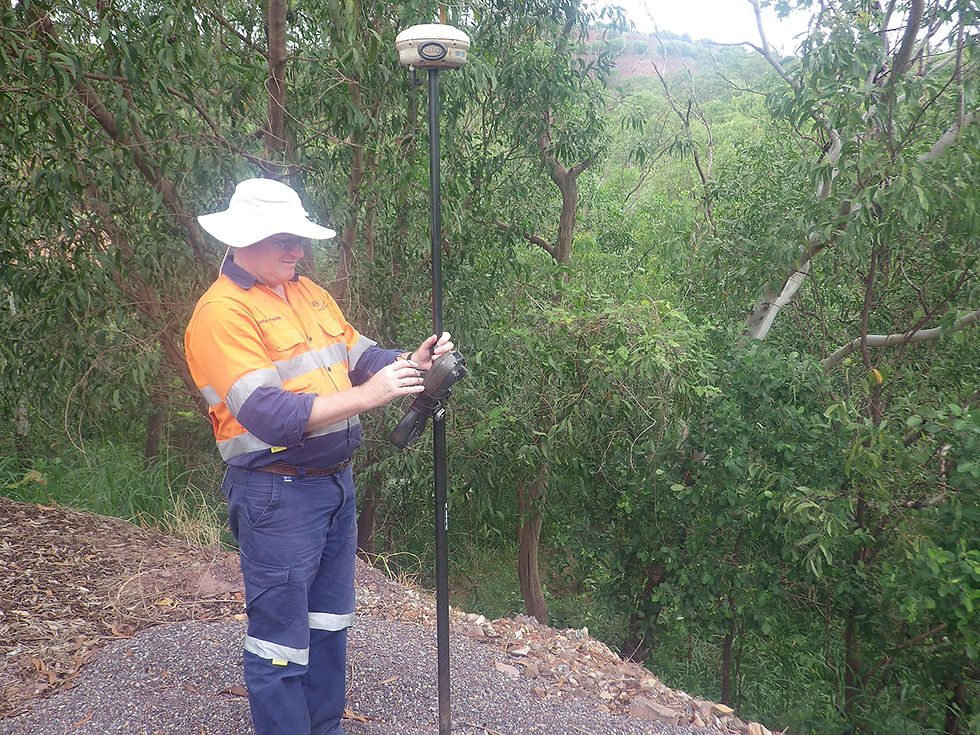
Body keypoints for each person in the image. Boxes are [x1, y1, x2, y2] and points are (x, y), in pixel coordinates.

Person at [184, 177, 453, 735]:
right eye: (283, 238)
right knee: (280, 644)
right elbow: (268, 414)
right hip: (277, 495)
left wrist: (410, 361)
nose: (297, 250)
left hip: (334, 488)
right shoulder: (221, 313)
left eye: (298, 238)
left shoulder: (306, 292)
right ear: (243, 240)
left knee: (329, 626)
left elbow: (359, 356)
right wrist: (372, 396)